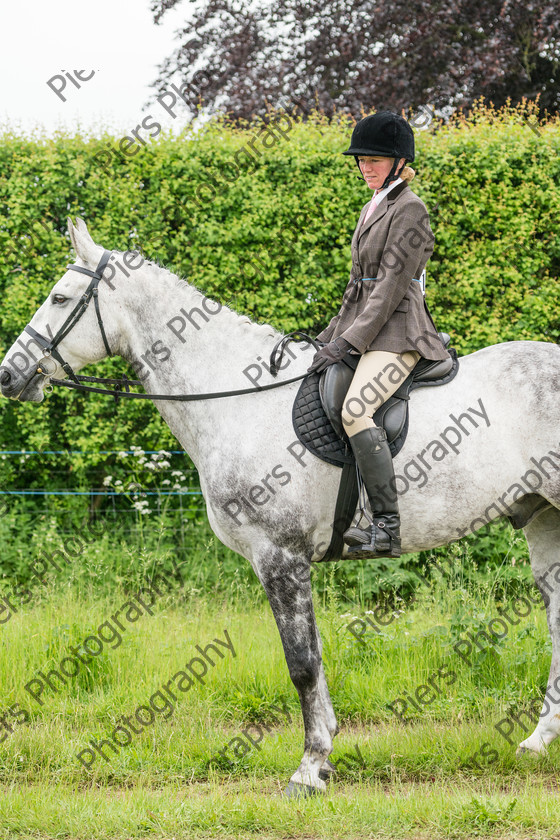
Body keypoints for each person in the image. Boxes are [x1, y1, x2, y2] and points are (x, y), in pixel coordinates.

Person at [309, 110, 450, 559]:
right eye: (360, 159)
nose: (365, 166)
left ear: (398, 161)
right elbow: (357, 289)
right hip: (369, 327)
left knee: (355, 410)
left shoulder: (411, 209)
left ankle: (386, 527)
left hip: (400, 333)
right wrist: (328, 337)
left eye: (374, 159)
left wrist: (350, 342)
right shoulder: (373, 206)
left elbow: (389, 288)